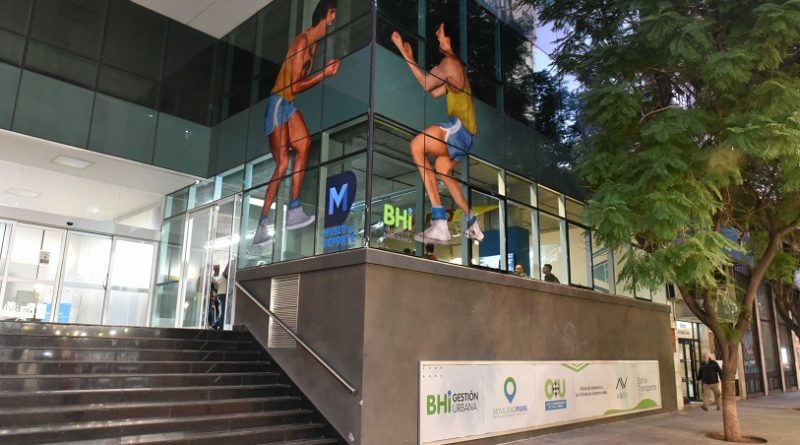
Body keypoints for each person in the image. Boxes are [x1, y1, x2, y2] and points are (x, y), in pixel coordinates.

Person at [253, 0, 341, 246]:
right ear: (326, 13)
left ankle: (294, 210)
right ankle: (261, 226)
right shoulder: (302, 41)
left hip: (288, 104)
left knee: (305, 144)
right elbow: (293, 86)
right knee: (282, 164)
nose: (334, 20)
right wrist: (325, 74)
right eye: (333, 14)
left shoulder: (313, 44)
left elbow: (298, 84)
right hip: (278, 103)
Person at [391, 24, 483, 245]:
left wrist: (403, 52)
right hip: (467, 136)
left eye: (441, 34)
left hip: (459, 128)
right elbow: (435, 92)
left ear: (450, 42)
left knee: (417, 146)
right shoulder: (456, 68)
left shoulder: (448, 63)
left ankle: (440, 222)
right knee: (443, 169)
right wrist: (412, 58)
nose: (437, 35)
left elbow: (425, 83)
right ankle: (473, 223)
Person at [212, 263, 229, 330]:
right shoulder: (226, 276)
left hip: (222, 293)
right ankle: (220, 325)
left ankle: (217, 324)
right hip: (223, 294)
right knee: (224, 311)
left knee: (224, 311)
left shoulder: (223, 276)